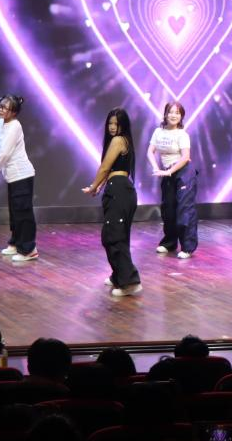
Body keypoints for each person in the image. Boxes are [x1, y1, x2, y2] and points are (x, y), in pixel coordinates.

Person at [83, 107, 142, 296]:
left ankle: (130, 282)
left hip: (119, 191)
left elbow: (104, 168)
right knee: (118, 236)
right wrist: (99, 187)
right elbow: (110, 171)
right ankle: (119, 276)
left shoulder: (118, 140)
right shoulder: (124, 141)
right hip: (120, 190)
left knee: (113, 236)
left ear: (123, 125)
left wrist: (94, 186)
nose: (112, 127)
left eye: (117, 123)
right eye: (110, 123)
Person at [0, 94, 38, 263]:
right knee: (15, 212)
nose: (1, 109)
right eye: (0, 105)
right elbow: (1, 148)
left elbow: (5, 152)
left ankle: (29, 249)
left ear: (14, 113)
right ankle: (15, 242)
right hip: (12, 175)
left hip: (22, 174)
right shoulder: (0, 123)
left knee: (23, 213)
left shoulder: (15, 126)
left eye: (6, 108)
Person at [148, 101, 197, 258]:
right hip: (167, 173)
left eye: (177, 113)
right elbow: (150, 151)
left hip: (183, 173)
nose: (173, 115)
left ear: (181, 116)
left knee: (184, 210)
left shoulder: (182, 134)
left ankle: (187, 247)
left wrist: (169, 171)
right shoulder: (158, 132)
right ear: (165, 114)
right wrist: (156, 168)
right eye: (171, 112)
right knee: (168, 209)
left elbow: (185, 157)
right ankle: (169, 243)